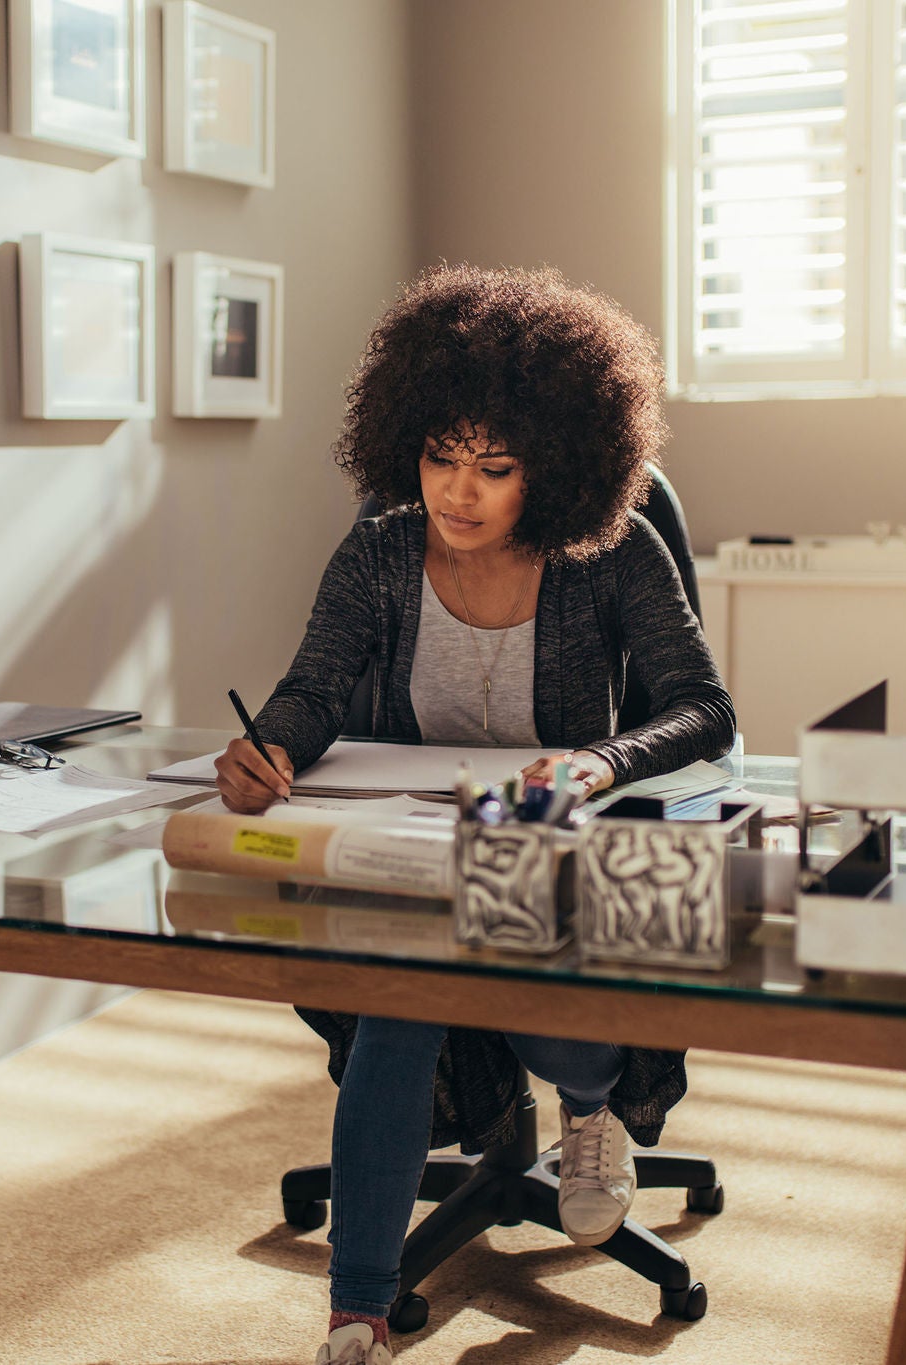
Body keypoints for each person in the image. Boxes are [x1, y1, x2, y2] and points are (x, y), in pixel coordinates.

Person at [212, 264, 735, 1365]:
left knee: (511, 969)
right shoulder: (380, 552)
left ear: (552, 468)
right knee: (403, 990)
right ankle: (355, 1312)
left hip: (559, 842)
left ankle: (586, 1114)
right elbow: (312, 691)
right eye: (438, 457)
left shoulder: (609, 553)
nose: (456, 490)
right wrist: (268, 746)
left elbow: (702, 707)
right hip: (425, 843)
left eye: (491, 468)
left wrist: (596, 766)